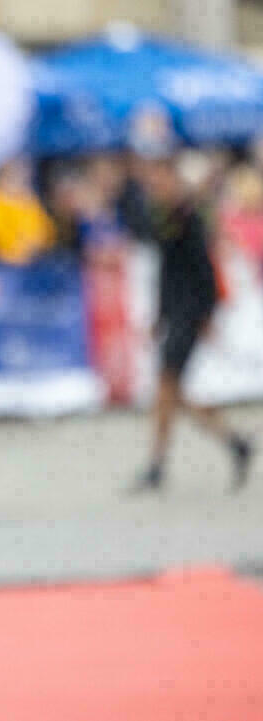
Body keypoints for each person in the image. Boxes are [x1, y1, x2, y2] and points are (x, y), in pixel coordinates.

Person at [130, 153, 254, 493]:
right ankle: (233, 442)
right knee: (170, 391)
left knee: (166, 389)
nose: (154, 186)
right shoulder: (168, 215)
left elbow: (204, 270)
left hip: (189, 313)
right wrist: (159, 315)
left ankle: (158, 465)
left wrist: (206, 315)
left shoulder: (189, 216)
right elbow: (163, 268)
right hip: (175, 312)